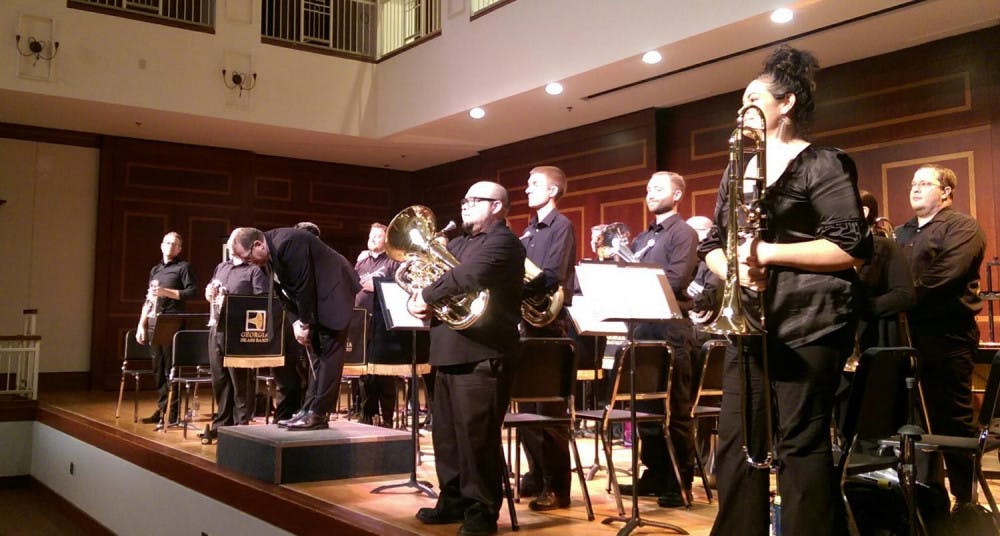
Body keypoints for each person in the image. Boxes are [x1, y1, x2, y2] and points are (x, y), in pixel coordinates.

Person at [700, 45, 872, 536]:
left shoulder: (821, 162)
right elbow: (712, 243)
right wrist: (732, 267)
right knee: (735, 444)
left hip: (809, 322)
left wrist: (766, 255)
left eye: (754, 98)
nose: (743, 109)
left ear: (787, 104)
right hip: (749, 322)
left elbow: (851, 246)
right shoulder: (738, 168)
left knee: (800, 445)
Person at [409, 181, 524, 536]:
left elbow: (466, 276)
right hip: (447, 349)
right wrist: (417, 298)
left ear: (498, 207)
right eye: (465, 199)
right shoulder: (457, 242)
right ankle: (453, 500)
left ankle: (482, 512)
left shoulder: (504, 242)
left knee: (477, 438)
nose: (466, 205)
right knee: (445, 436)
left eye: (476, 200)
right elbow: (434, 278)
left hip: (483, 352)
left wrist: (427, 294)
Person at [896, 163, 985, 507]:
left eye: (924, 183)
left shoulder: (963, 227)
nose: (915, 189)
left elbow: (944, 276)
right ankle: (926, 496)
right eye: (912, 184)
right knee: (911, 421)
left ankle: (965, 500)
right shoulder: (901, 233)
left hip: (947, 338)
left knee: (951, 419)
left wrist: (897, 300)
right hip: (905, 338)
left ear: (946, 192)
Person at [229, 225, 360, 431]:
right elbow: (282, 292)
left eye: (247, 257)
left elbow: (303, 286)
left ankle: (318, 413)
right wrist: (295, 322)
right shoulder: (266, 255)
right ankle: (309, 409)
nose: (248, 263)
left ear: (257, 244)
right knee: (317, 356)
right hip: (316, 299)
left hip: (334, 291)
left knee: (329, 353)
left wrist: (305, 323)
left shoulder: (288, 243)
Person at [620, 171, 700, 509]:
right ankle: (653, 473)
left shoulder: (684, 233)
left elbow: (677, 279)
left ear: (678, 195)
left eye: (658, 188)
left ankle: (680, 480)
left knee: (674, 410)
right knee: (644, 409)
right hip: (642, 330)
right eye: (648, 187)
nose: (650, 193)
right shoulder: (641, 238)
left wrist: (636, 274)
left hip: (670, 331)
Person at [516, 166, 577, 511]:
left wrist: (515, 289)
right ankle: (536, 475)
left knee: (550, 414)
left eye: (534, 184)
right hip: (526, 325)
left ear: (553, 190)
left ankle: (558, 488)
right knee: (526, 409)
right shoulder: (527, 230)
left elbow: (552, 273)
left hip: (550, 327)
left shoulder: (561, 226)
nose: (527, 190)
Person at [199, 246, 268, 444]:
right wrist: (209, 292)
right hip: (217, 328)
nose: (229, 247)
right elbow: (210, 294)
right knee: (219, 379)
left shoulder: (253, 270)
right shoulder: (222, 267)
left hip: (239, 332)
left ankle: (240, 428)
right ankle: (221, 426)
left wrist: (233, 299)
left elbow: (261, 301)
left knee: (240, 383)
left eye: (233, 242)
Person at [136, 231, 198, 428]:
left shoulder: (183, 267)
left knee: (171, 368)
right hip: (155, 320)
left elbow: (192, 292)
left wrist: (166, 292)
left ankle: (172, 414)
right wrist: (141, 324)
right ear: (161, 245)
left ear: (179, 248)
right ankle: (162, 409)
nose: (170, 246)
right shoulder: (155, 270)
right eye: (167, 243)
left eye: (174, 244)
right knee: (158, 368)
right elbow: (149, 299)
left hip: (172, 322)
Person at [355, 223, 402, 427]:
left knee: (384, 374)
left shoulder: (393, 262)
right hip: (362, 322)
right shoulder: (362, 262)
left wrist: (376, 287)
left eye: (377, 236)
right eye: (370, 235)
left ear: (386, 240)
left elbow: (399, 288)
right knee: (365, 374)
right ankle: (367, 414)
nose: (372, 239)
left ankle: (387, 418)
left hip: (383, 324)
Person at [856, 191, 914, 351]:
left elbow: (904, 295)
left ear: (864, 212)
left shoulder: (885, 246)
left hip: (876, 338)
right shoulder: (834, 249)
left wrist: (859, 308)